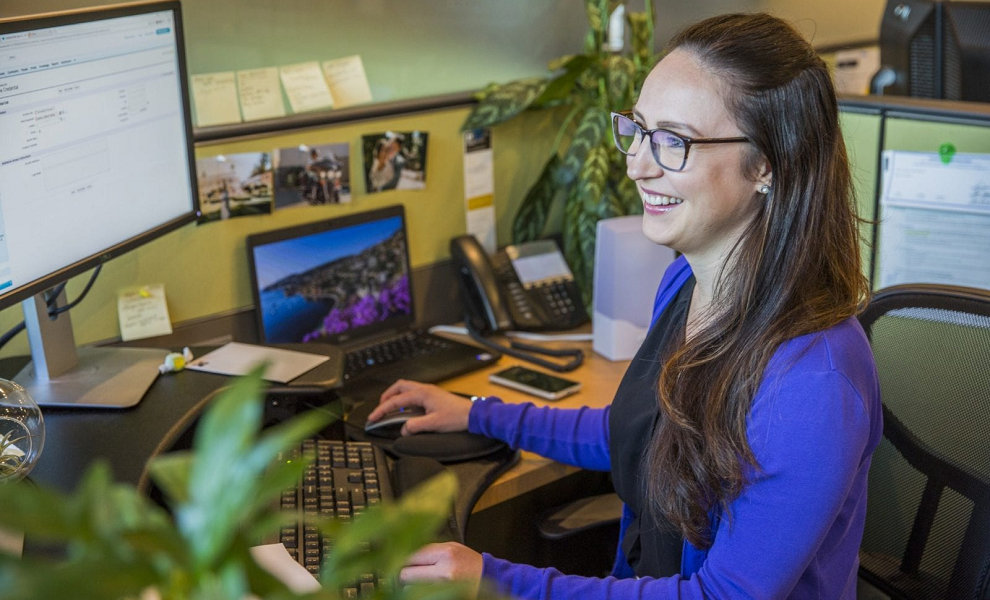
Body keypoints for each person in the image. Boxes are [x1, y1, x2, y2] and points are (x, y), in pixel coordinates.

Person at [367, 12, 881, 599]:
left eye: (674, 142)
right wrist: (477, 412)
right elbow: (637, 434)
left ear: (766, 163)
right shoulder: (686, 282)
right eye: (638, 130)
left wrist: (499, 580)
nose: (637, 163)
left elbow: (724, 595)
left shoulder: (814, 381)